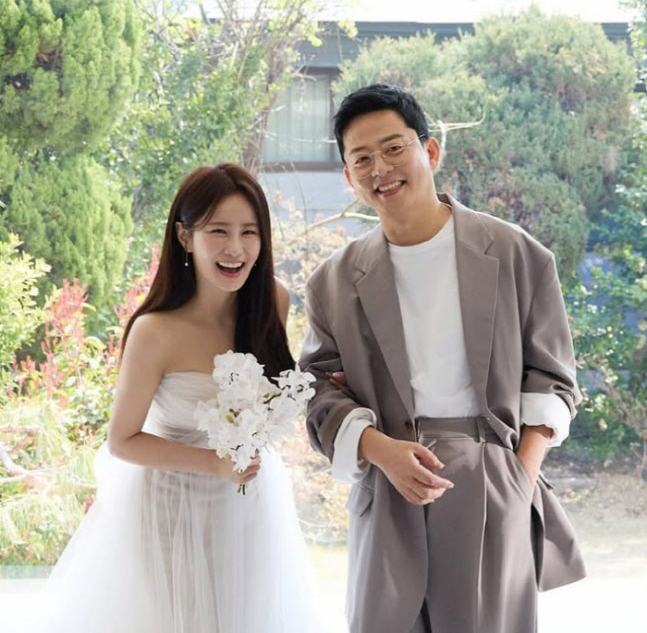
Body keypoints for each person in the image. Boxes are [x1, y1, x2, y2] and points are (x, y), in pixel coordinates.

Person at [300, 84, 586, 633]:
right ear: (350, 179)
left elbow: (552, 377)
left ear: (429, 151)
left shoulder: (516, 253)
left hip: (490, 479)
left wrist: (518, 478)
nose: (380, 169)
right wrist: (378, 449)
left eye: (393, 148)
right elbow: (315, 388)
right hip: (387, 481)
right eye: (362, 159)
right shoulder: (332, 281)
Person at [38, 163, 319, 633]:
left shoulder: (274, 299)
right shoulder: (155, 331)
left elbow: (273, 388)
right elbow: (122, 441)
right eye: (218, 231)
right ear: (185, 237)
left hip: (251, 501)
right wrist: (214, 463)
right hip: (170, 508)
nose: (235, 248)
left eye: (249, 232)